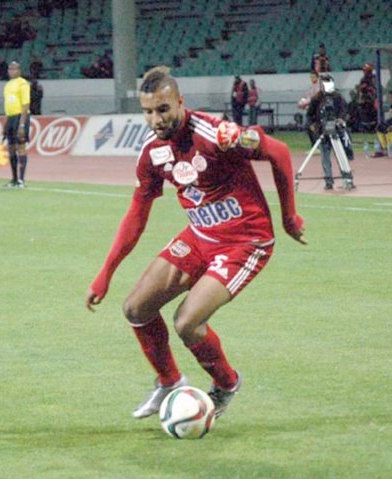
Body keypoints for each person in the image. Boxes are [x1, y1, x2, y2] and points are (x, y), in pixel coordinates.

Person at [85, 66, 306, 421]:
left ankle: (226, 384)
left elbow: (278, 152)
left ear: (180, 102)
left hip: (245, 241)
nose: (155, 119)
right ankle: (170, 382)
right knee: (135, 309)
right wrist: (105, 273)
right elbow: (137, 213)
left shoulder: (219, 135)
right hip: (200, 237)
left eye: (163, 109)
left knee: (187, 322)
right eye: (147, 112)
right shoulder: (152, 152)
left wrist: (288, 217)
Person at [306, 74, 356, 190]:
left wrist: (341, 119)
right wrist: (312, 125)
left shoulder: (337, 97)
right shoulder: (317, 98)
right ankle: (328, 181)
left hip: (337, 130)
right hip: (322, 130)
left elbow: (344, 110)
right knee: (325, 156)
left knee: (341, 155)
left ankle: (346, 177)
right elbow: (309, 115)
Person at [3, 61, 31, 188]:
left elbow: (25, 104)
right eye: (10, 69)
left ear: (19, 70)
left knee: (21, 147)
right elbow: (8, 105)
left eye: (14, 69)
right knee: (11, 148)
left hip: (20, 117)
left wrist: (22, 124)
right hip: (11, 117)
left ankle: (21, 179)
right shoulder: (8, 85)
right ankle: (13, 178)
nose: (11, 71)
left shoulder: (23, 83)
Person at [298, 70, 321, 146]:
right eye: (311, 77)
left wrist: (304, 103)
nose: (312, 78)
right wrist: (302, 103)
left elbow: (314, 98)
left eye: (313, 77)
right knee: (309, 127)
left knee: (313, 127)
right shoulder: (311, 87)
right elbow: (307, 97)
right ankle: (315, 145)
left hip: (317, 110)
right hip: (310, 110)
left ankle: (317, 146)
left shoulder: (319, 86)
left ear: (317, 77)